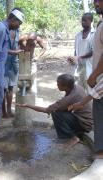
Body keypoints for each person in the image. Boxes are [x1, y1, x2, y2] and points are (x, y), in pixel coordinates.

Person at [16, 74, 93, 148]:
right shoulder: (77, 87)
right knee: (62, 110)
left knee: (56, 113)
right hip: (87, 120)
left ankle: (73, 138)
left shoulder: (68, 99)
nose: (57, 85)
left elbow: (46, 110)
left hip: (84, 124)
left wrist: (27, 105)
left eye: (58, 83)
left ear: (65, 86)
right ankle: (75, 132)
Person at [0, 8, 25, 125]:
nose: (19, 26)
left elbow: (3, 50)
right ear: (12, 19)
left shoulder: (5, 29)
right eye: (19, 23)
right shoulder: (1, 29)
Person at [86, 0, 103, 159]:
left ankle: (101, 152)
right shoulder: (101, 24)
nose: (96, 2)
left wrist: (94, 74)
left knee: (99, 113)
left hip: (101, 78)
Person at [67, 13, 94, 93]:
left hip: (89, 67)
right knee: (78, 89)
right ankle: (80, 104)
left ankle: (88, 105)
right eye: (82, 20)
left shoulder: (94, 34)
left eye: (85, 20)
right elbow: (76, 50)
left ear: (91, 21)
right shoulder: (78, 35)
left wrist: (78, 57)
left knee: (89, 90)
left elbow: (93, 52)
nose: (83, 22)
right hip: (79, 67)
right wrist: (73, 59)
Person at [2, 28, 23, 118]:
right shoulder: (3, 31)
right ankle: (4, 112)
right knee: (3, 90)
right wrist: (15, 52)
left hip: (13, 65)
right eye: (18, 22)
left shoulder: (18, 32)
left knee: (10, 89)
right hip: (4, 65)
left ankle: (9, 110)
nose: (19, 24)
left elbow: (19, 45)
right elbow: (1, 49)